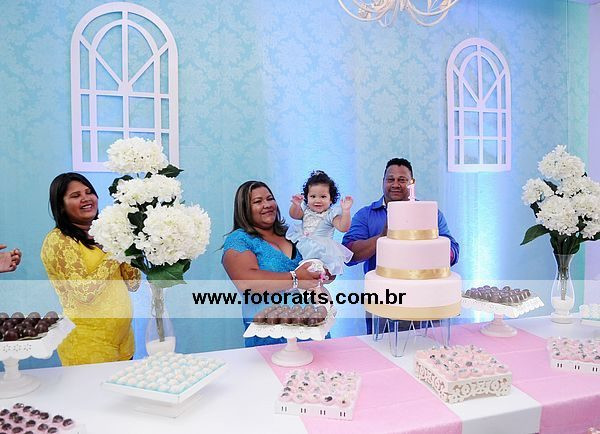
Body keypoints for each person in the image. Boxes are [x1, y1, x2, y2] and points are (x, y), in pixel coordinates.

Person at [342, 158, 459, 334]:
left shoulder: (429, 213)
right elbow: (348, 254)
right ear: (383, 181)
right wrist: (383, 237)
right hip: (384, 298)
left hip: (426, 299)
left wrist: (428, 249)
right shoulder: (366, 215)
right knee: (382, 348)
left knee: (428, 347)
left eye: (402, 180)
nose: (395, 184)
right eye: (391, 179)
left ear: (411, 183)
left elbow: (453, 251)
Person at [40, 173, 141, 365]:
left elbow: (133, 283)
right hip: (87, 345)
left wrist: (126, 243)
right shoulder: (58, 240)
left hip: (124, 341)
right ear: (61, 205)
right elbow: (84, 292)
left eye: (89, 192)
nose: (86, 198)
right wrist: (115, 252)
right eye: (75, 195)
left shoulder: (106, 233)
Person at [222, 180, 325, 347]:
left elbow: (315, 267)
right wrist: (295, 278)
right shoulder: (239, 239)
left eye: (270, 199)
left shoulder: (292, 233)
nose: (267, 205)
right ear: (244, 208)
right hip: (270, 334)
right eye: (258, 201)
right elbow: (246, 283)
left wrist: (321, 273)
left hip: (310, 327)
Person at [286, 170, 353, 276]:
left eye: (323, 197)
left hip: (320, 251)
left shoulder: (330, 214)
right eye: (313, 196)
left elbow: (343, 227)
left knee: (314, 269)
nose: (317, 200)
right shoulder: (306, 210)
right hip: (303, 245)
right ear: (307, 198)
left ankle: (317, 276)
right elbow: (294, 215)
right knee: (297, 263)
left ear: (331, 199)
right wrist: (296, 205)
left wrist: (346, 211)